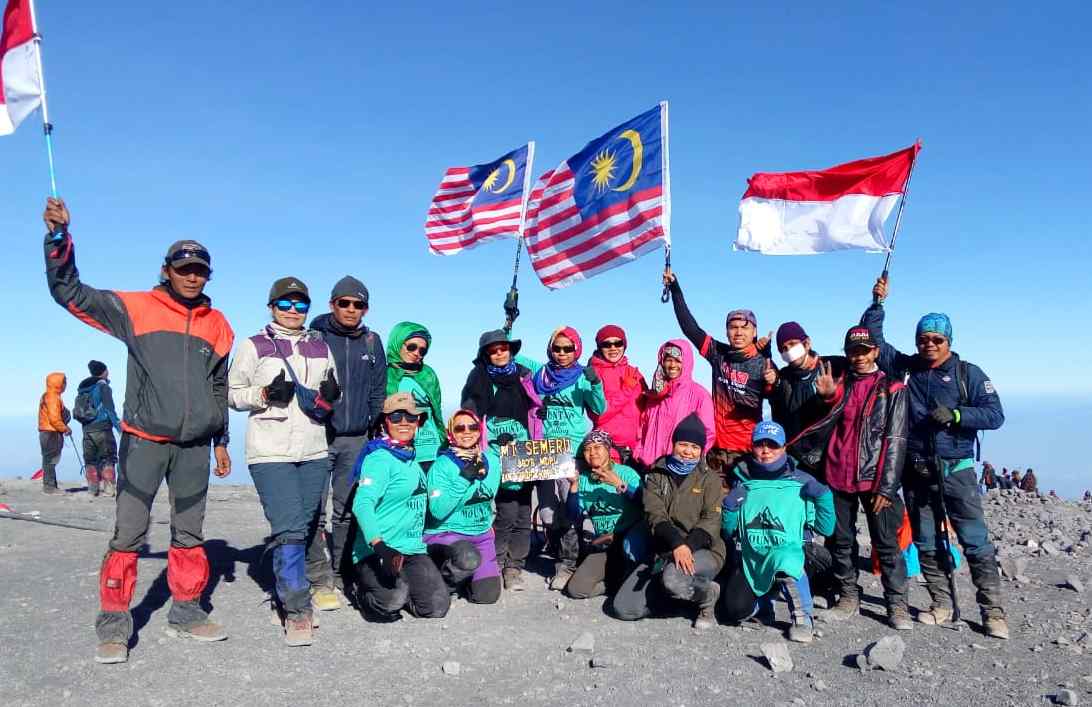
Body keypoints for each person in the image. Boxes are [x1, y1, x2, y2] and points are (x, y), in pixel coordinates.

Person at [43, 198, 232, 665]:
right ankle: (113, 625)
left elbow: (219, 385)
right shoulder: (137, 308)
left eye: (200, 271)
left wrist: (222, 441)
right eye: (184, 269)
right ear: (166, 271)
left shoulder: (218, 325)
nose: (192, 277)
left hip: (194, 447)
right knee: (128, 533)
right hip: (143, 442)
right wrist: (58, 239)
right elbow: (69, 293)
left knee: (189, 533)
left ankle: (186, 612)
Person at [864, 277, 1008, 639]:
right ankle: (941, 604)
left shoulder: (968, 374)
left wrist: (958, 416)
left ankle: (992, 612)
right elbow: (873, 340)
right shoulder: (907, 368)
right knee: (925, 540)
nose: (929, 344)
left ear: (949, 341)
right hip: (916, 470)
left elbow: (995, 414)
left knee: (974, 540)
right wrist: (877, 304)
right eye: (923, 339)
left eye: (936, 339)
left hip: (956, 470)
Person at [228, 277, 341, 646]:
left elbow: (330, 392)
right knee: (290, 528)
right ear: (272, 307)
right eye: (285, 304)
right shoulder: (254, 345)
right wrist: (263, 393)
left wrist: (330, 397)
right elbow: (231, 393)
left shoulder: (320, 346)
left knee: (305, 525)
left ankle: (292, 585)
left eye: (300, 305)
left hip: (314, 449)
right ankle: (296, 609)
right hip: (270, 450)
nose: (293, 311)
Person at [787, 326, 912, 630]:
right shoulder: (838, 384)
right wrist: (827, 398)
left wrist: (887, 486)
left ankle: (897, 604)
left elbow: (896, 440)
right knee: (841, 542)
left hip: (874, 479)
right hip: (837, 474)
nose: (859, 357)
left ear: (875, 352)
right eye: (853, 351)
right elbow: (819, 421)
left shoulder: (893, 389)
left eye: (865, 351)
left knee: (886, 543)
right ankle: (847, 596)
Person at [307, 276, 385, 606]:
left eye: (358, 304)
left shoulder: (372, 342)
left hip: (356, 439)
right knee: (313, 510)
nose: (351, 309)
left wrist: (371, 423)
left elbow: (378, 388)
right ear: (332, 304)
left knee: (346, 510)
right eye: (345, 303)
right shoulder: (315, 337)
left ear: (365, 308)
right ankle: (317, 575)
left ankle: (340, 572)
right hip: (318, 435)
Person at [720, 421, 835, 642]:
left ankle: (803, 618)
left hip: (792, 554)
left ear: (784, 448)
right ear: (752, 447)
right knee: (735, 611)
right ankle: (765, 604)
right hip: (753, 556)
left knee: (785, 560)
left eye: (772, 445)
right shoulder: (743, 480)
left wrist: (823, 497)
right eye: (760, 444)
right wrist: (730, 508)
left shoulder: (801, 482)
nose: (766, 451)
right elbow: (729, 531)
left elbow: (826, 529)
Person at [612, 414, 725, 629]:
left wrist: (686, 546)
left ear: (702, 450)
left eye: (694, 447)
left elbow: (711, 520)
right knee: (624, 608)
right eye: (683, 444)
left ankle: (708, 595)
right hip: (665, 548)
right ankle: (672, 598)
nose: (688, 451)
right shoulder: (656, 474)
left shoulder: (709, 479)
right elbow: (654, 513)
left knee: (673, 578)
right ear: (673, 444)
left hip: (703, 548)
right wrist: (675, 544)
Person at [351, 393, 449, 621]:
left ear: (419, 422)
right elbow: (362, 504)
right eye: (396, 417)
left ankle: (405, 588)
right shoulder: (379, 459)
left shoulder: (411, 457)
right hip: (379, 551)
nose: (404, 422)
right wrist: (380, 546)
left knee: (436, 607)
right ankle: (362, 592)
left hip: (410, 549)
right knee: (392, 600)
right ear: (385, 422)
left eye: (411, 417)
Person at [663, 268, 772, 467]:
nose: (739, 332)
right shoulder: (718, 353)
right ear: (727, 331)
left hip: (747, 451)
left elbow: (779, 399)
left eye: (745, 327)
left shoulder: (763, 363)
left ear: (754, 331)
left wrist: (772, 370)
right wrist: (675, 289)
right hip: (715, 448)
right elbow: (690, 328)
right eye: (733, 327)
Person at [460, 329, 542, 591]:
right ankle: (495, 563)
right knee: (506, 512)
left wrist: (540, 411)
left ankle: (514, 566)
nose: (499, 353)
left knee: (524, 511)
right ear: (485, 354)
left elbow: (540, 393)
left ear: (511, 350)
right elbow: (470, 411)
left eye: (503, 348)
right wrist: (489, 440)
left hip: (525, 449)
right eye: (493, 350)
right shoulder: (479, 377)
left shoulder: (524, 374)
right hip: (496, 451)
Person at [526, 327, 607, 589]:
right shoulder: (541, 374)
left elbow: (599, 408)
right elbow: (513, 363)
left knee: (570, 509)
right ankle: (558, 552)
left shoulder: (583, 376)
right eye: (557, 348)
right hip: (543, 450)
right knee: (548, 512)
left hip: (570, 450)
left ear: (577, 349)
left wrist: (596, 383)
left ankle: (567, 565)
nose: (562, 353)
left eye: (568, 348)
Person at [423, 409, 502, 604]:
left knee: (488, 596)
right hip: (447, 533)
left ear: (480, 430)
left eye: (472, 427)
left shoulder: (492, 460)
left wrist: (512, 452)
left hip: (481, 535)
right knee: (467, 558)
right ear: (451, 433)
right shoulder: (441, 465)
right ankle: (440, 580)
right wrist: (463, 479)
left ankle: (466, 577)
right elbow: (437, 510)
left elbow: (513, 486)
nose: (467, 431)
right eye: (459, 428)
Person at [558, 429, 643, 599]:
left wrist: (620, 484)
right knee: (576, 589)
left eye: (597, 447)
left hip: (629, 541)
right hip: (604, 544)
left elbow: (646, 502)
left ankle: (627, 580)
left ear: (608, 449)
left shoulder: (627, 473)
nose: (592, 452)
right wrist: (574, 486)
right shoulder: (583, 479)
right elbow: (573, 516)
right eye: (587, 449)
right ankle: (615, 584)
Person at [633, 339, 715, 469]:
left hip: (680, 466)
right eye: (668, 360)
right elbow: (643, 426)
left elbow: (707, 433)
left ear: (686, 363)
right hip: (649, 466)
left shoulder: (700, 395)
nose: (672, 365)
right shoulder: (655, 395)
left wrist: (691, 460)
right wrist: (639, 451)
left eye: (678, 361)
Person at [768, 321, 848, 442]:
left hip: (826, 447)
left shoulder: (835, 366)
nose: (789, 350)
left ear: (807, 343)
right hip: (793, 448)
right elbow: (778, 412)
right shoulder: (782, 377)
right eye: (784, 348)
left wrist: (830, 396)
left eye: (793, 344)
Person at [386, 322, 445, 471]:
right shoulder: (386, 376)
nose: (417, 353)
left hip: (432, 450)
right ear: (398, 343)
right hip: (399, 450)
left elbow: (437, 414)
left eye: (422, 350)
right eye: (412, 347)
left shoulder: (428, 374)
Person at [587, 325, 646, 461]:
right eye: (607, 344)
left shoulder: (634, 372)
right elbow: (598, 415)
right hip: (607, 449)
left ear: (624, 345)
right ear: (599, 347)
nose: (613, 348)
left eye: (618, 343)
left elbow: (646, 410)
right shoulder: (592, 375)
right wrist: (626, 390)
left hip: (635, 450)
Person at [75, 360, 122, 497]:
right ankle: (109, 489)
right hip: (103, 428)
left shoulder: (83, 389)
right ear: (103, 372)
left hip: (87, 429)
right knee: (108, 458)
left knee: (90, 460)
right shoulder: (103, 387)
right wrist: (119, 428)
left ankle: (93, 489)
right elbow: (109, 409)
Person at [37, 372, 71, 495]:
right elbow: (54, 419)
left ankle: (51, 486)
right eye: (64, 382)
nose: (66, 385)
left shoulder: (47, 395)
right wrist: (65, 429)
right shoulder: (53, 398)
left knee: (48, 459)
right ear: (59, 384)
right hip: (51, 433)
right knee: (51, 460)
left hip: (46, 432)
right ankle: (49, 487)